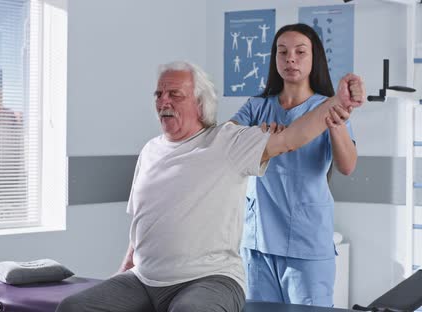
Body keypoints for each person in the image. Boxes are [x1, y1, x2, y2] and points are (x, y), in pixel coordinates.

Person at [56, 60, 364, 312]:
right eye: (159, 94)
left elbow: (291, 137)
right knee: (73, 307)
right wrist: (124, 268)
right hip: (144, 278)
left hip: (209, 279)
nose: (163, 101)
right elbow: (142, 220)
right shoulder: (150, 150)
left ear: (201, 103)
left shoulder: (226, 142)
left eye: (175, 94)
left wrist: (337, 103)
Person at [230, 23, 358, 307]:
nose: (290, 59)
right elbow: (226, 143)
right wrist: (256, 135)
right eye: (283, 52)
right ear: (274, 59)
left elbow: (347, 166)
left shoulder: (328, 106)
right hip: (257, 242)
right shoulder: (256, 107)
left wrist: (336, 124)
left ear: (315, 60)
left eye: (300, 52)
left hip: (306, 243)